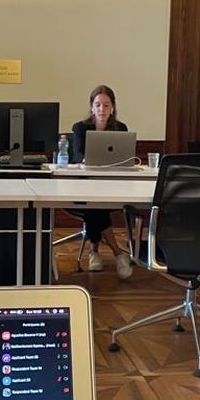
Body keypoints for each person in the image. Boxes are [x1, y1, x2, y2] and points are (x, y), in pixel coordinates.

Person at [71, 85, 133, 278]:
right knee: (93, 203)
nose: (102, 109)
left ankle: (94, 252)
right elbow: (77, 154)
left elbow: (125, 158)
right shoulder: (80, 128)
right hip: (83, 184)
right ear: (91, 107)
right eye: (98, 105)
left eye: (106, 105)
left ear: (113, 108)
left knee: (95, 204)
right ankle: (117, 253)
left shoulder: (120, 129)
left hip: (111, 184)